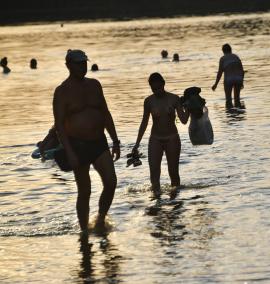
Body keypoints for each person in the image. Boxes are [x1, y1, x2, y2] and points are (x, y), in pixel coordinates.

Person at [53, 49, 120, 233]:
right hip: (77, 145)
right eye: (79, 63)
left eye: (84, 63)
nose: (83, 66)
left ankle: (100, 219)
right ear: (68, 65)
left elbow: (105, 113)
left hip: (99, 142)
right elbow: (59, 125)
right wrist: (70, 153)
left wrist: (115, 140)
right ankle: (84, 231)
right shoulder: (62, 91)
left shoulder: (95, 85)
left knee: (111, 181)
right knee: (85, 191)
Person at [132, 72, 189, 198]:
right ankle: (157, 199)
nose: (157, 91)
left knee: (173, 172)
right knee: (154, 173)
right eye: (154, 89)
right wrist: (137, 143)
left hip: (172, 138)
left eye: (159, 88)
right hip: (155, 139)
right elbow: (144, 123)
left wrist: (189, 106)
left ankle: (175, 200)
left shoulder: (174, 99)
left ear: (164, 84)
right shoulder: (148, 101)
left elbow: (184, 120)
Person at [212, 44, 245, 109]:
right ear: (231, 50)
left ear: (223, 51)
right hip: (238, 78)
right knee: (237, 99)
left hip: (228, 80)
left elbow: (220, 73)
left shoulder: (223, 59)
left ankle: (230, 114)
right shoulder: (236, 57)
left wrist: (215, 84)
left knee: (228, 100)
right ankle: (238, 113)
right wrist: (242, 82)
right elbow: (242, 70)